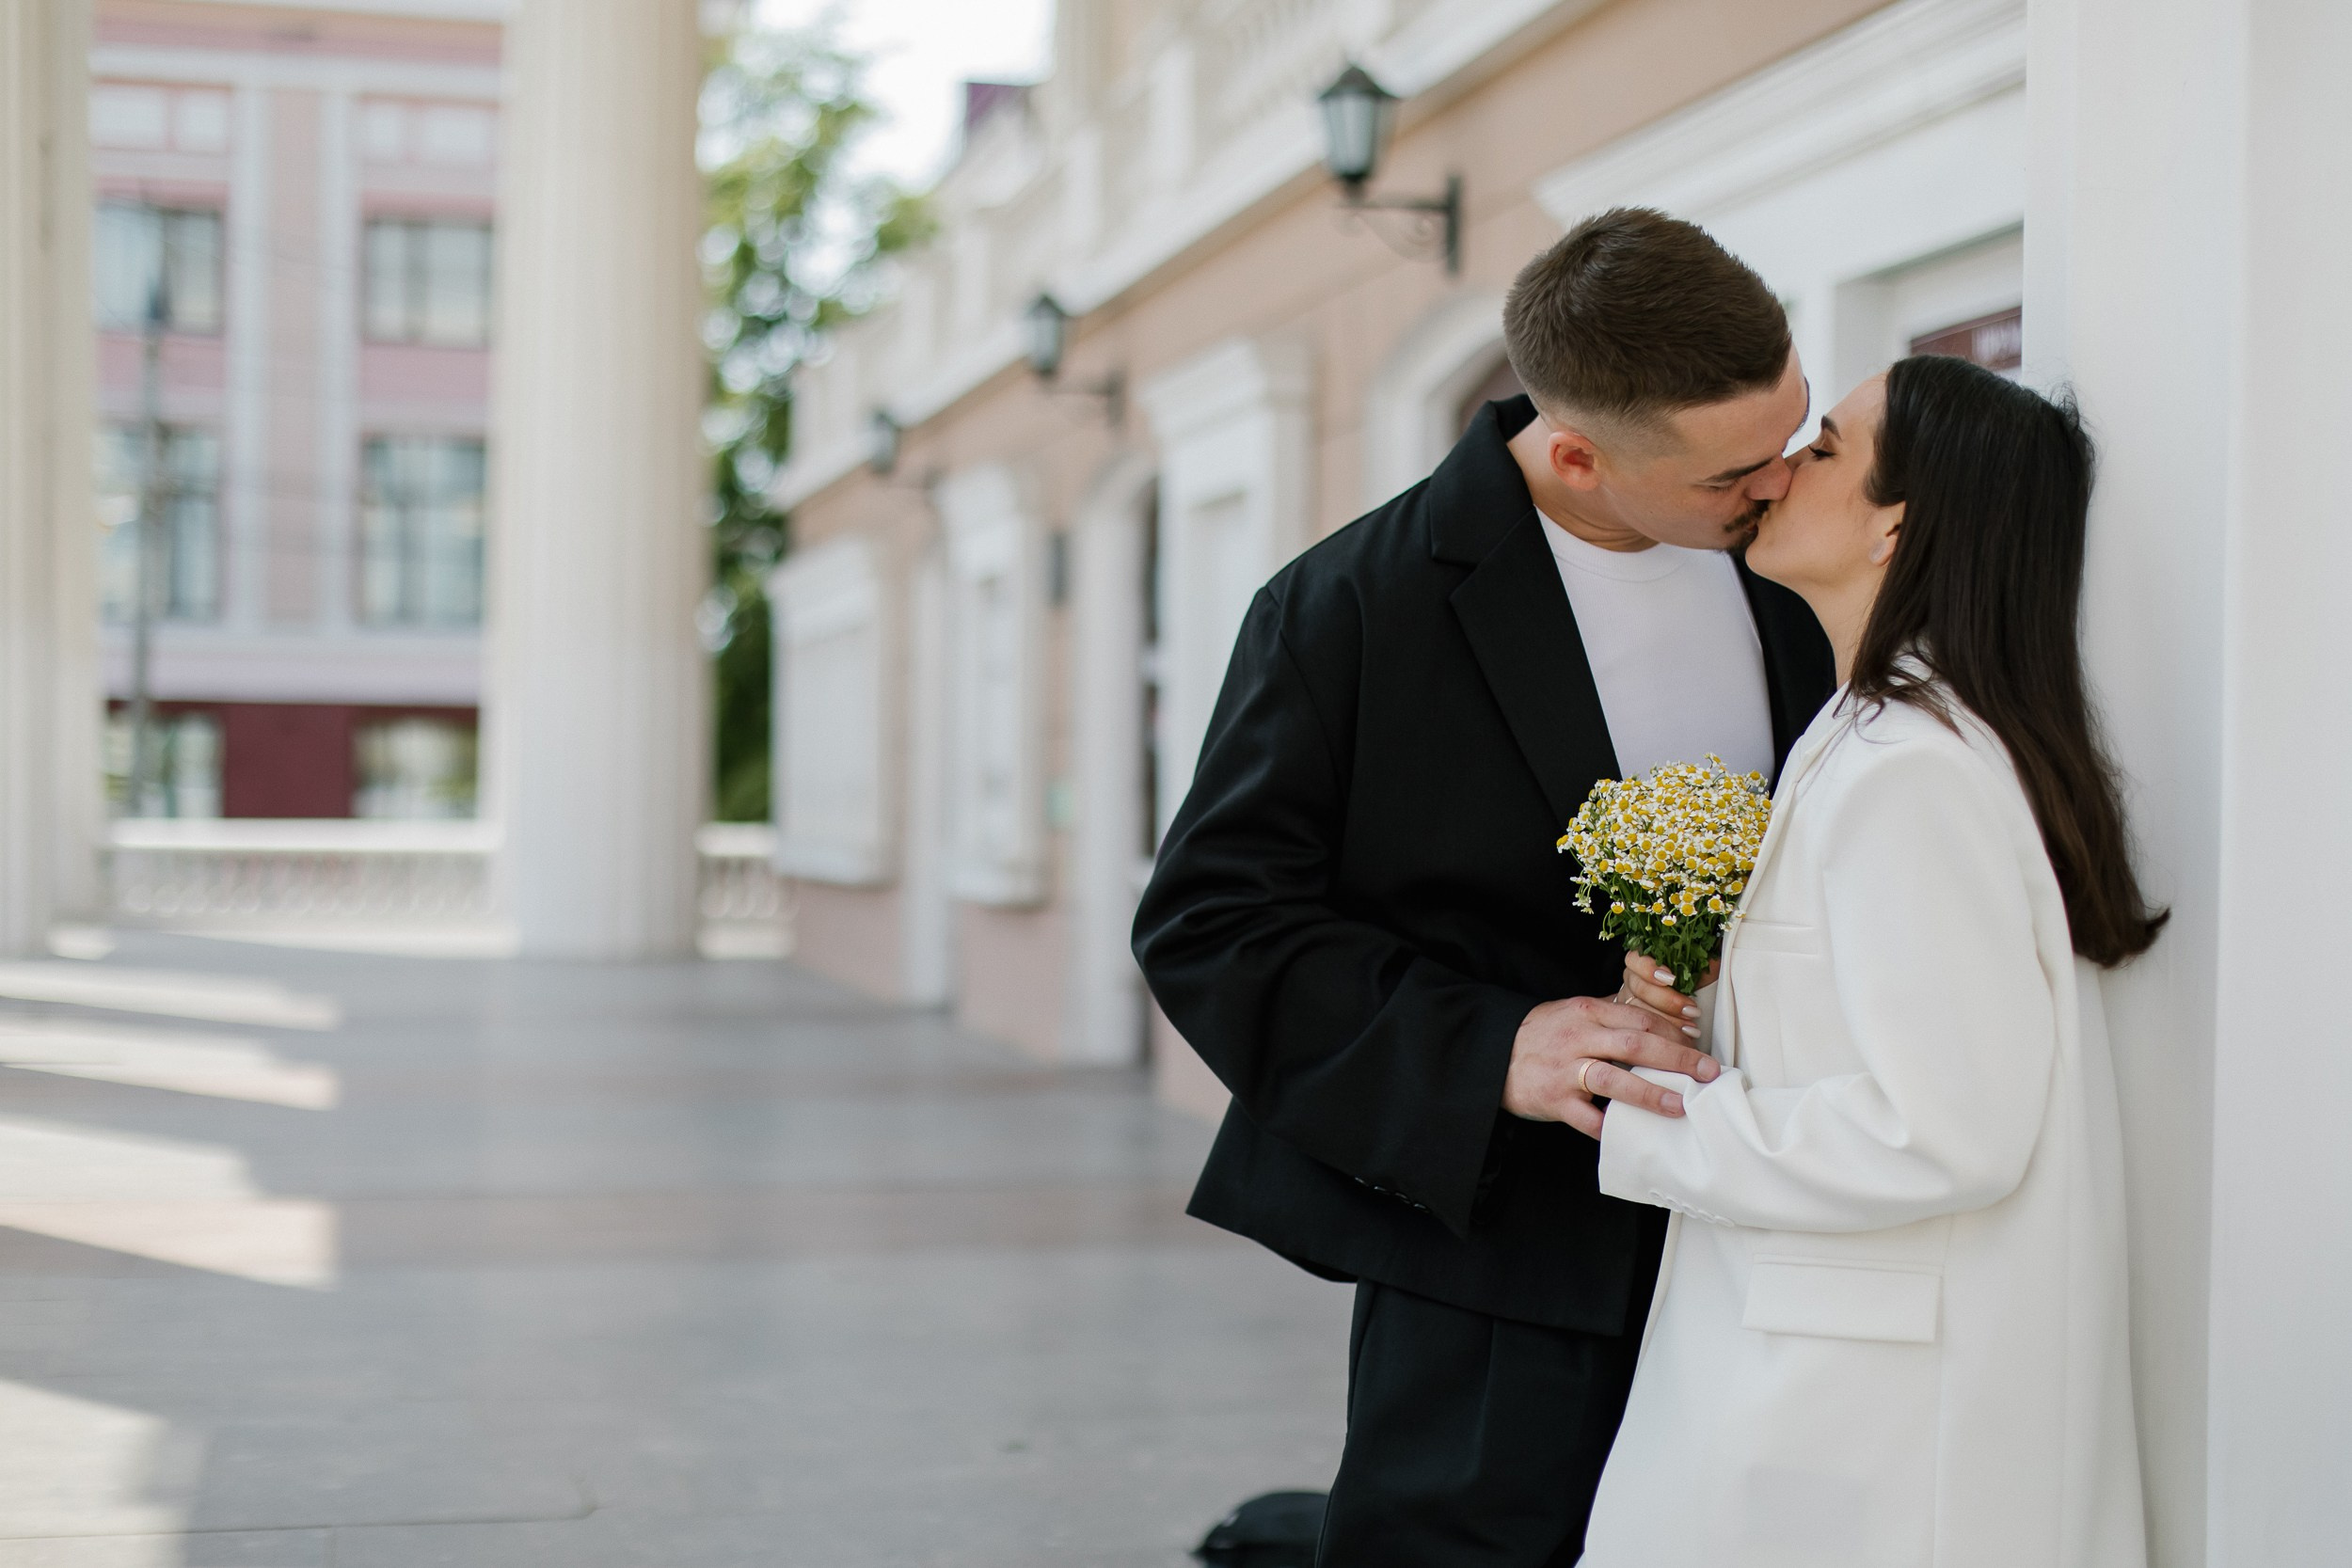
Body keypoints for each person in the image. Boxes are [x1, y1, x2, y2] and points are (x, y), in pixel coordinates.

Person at [1131, 208, 1836, 1565]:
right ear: (1576, 453)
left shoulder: (1806, 562)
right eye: (1735, 472)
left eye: (1794, 435)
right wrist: (1496, 1047)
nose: (1781, 484)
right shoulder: (1346, 608)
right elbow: (1212, 922)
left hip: (1781, 1217)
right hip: (1511, 1246)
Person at [1583, 356, 2163, 1567]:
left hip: (1874, 1423)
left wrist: (1652, 1118)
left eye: (1827, 448)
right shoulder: (1862, 733)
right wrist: (1702, 1009)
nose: (1780, 472)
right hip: (1825, 1380)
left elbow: (1946, 1128)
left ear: (1898, 523)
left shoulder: (1912, 770)